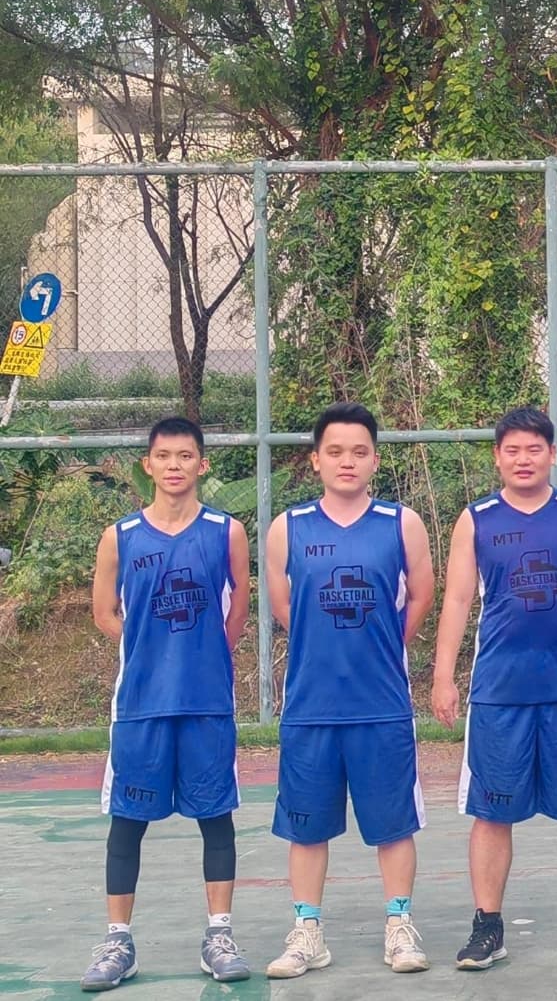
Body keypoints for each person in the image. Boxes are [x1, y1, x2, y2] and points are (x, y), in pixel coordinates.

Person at [431, 407, 557, 968]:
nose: (523, 459)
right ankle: (487, 926)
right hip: (500, 690)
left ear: (551, 454)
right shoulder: (476, 519)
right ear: (497, 457)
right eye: (512, 450)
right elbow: (457, 599)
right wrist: (444, 676)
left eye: (534, 449)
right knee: (491, 812)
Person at [264, 402, 436, 978]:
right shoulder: (288, 527)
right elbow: (286, 609)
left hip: (381, 704)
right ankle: (307, 931)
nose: (347, 461)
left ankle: (399, 924)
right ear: (315, 460)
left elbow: (421, 597)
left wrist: (382, 644)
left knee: (394, 824)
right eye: (335, 451)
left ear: (375, 460)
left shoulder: (400, 523)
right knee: (306, 826)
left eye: (359, 451)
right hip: (311, 705)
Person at [81, 417, 253, 991]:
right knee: (127, 824)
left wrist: (202, 653)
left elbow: (237, 610)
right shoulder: (120, 536)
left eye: (185, 456)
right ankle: (118, 941)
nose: (174, 465)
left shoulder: (227, 532)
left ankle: (219, 935)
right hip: (141, 705)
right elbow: (105, 613)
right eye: (163, 456)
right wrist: (150, 649)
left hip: (206, 703)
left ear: (202, 464)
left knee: (216, 817)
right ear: (147, 465)